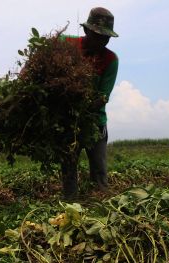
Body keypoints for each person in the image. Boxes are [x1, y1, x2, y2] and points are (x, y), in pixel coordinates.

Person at [61, 7, 119, 199]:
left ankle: (101, 204)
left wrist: (82, 106)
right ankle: (70, 205)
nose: (103, 41)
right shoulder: (67, 44)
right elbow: (42, 51)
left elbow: (103, 96)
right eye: (98, 36)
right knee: (69, 167)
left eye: (106, 37)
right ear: (87, 31)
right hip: (69, 123)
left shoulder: (110, 59)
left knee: (99, 170)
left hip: (95, 123)